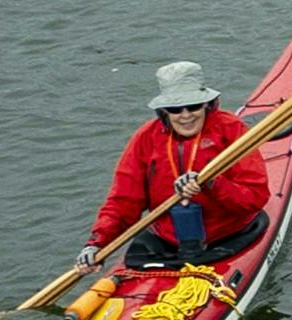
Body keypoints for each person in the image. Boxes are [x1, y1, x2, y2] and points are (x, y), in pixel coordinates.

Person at [75, 61, 270, 272]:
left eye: (194, 106)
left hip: (229, 235)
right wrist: (96, 244)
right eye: (175, 109)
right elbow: (123, 202)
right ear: (164, 111)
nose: (186, 115)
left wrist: (211, 183)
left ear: (207, 104)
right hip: (168, 240)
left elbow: (255, 198)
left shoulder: (232, 130)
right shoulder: (145, 138)